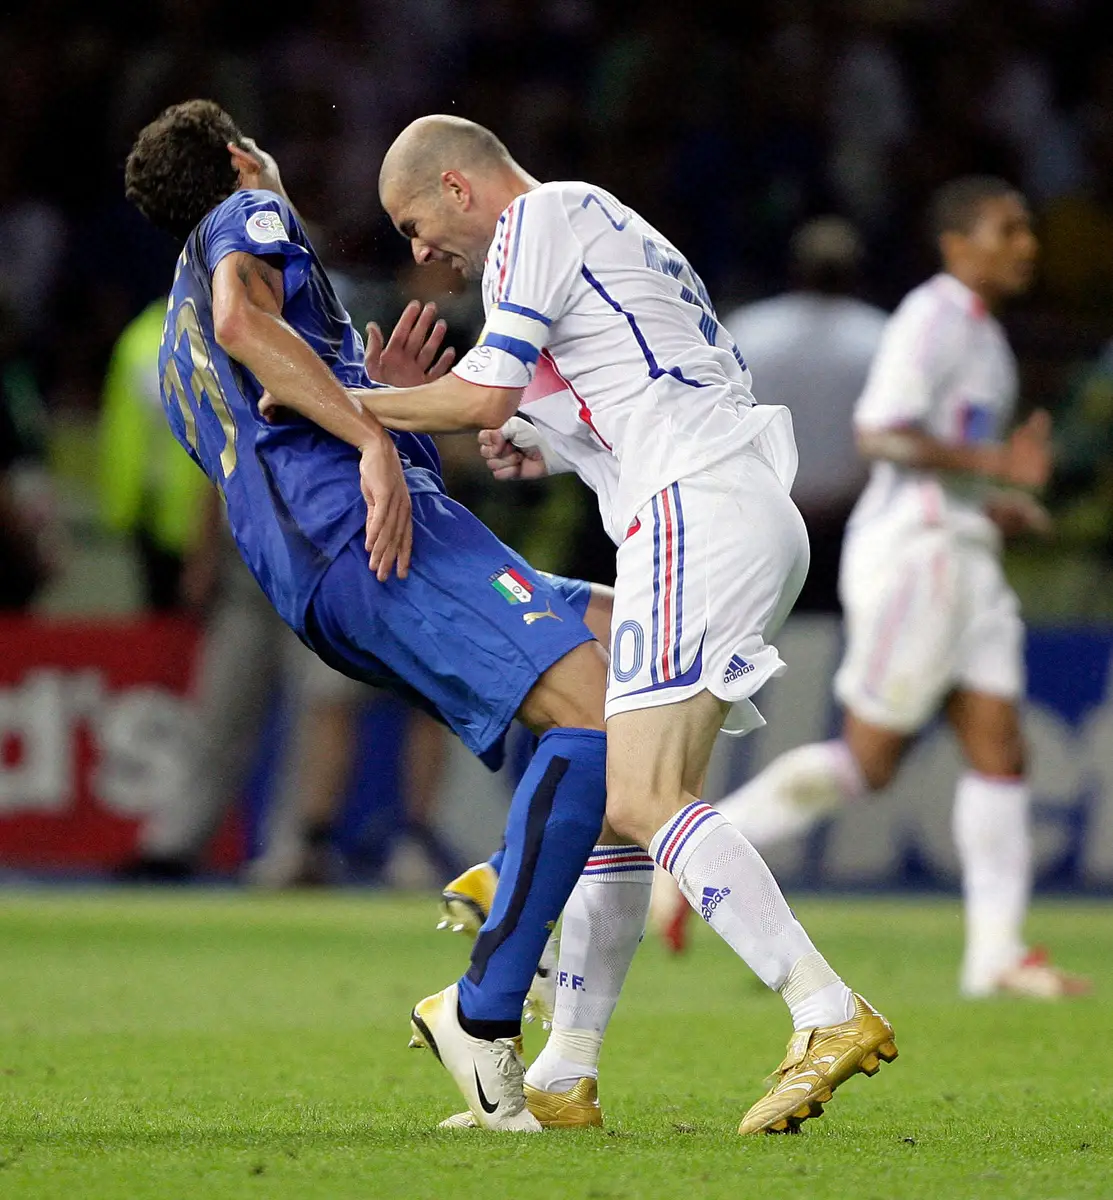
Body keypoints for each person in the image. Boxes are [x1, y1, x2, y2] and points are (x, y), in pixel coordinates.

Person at [336, 114, 898, 1136]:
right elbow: (563, 411)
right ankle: (563, 1070)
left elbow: (489, 390)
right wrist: (509, 438)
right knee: (613, 790)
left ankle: (825, 1009)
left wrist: (356, 403)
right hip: (719, 505)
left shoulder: (540, 217)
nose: (419, 254)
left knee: (642, 792)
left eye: (416, 224)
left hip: (695, 509)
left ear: (461, 189)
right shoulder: (586, 241)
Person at [125, 99, 613, 1132]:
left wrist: (369, 396)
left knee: (629, 647)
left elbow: (263, 404)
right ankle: (485, 1012)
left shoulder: (168, 330)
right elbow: (243, 321)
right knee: (601, 713)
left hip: (333, 558)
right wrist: (374, 436)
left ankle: (511, 888)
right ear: (234, 155)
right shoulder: (246, 214)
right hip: (358, 540)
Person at [700, 176, 1089, 999]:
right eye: (1007, 229)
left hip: (965, 548)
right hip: (918, 558)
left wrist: (995, 502)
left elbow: (940, 450)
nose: (1026, 244)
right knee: (869, 760)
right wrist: (991, 468)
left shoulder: (981, 332)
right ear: (956, 243)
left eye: (1026, 228)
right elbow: (880, 431)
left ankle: (993, 956)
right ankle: (697, 850)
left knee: (1000, 749)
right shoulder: (931, 318)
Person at [722, 216, 887, 612]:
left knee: (754, 640)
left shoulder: (747, 331)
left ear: (795, 267)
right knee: (841, 642)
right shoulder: (881, 337)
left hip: (761, 516)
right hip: (850, 518)